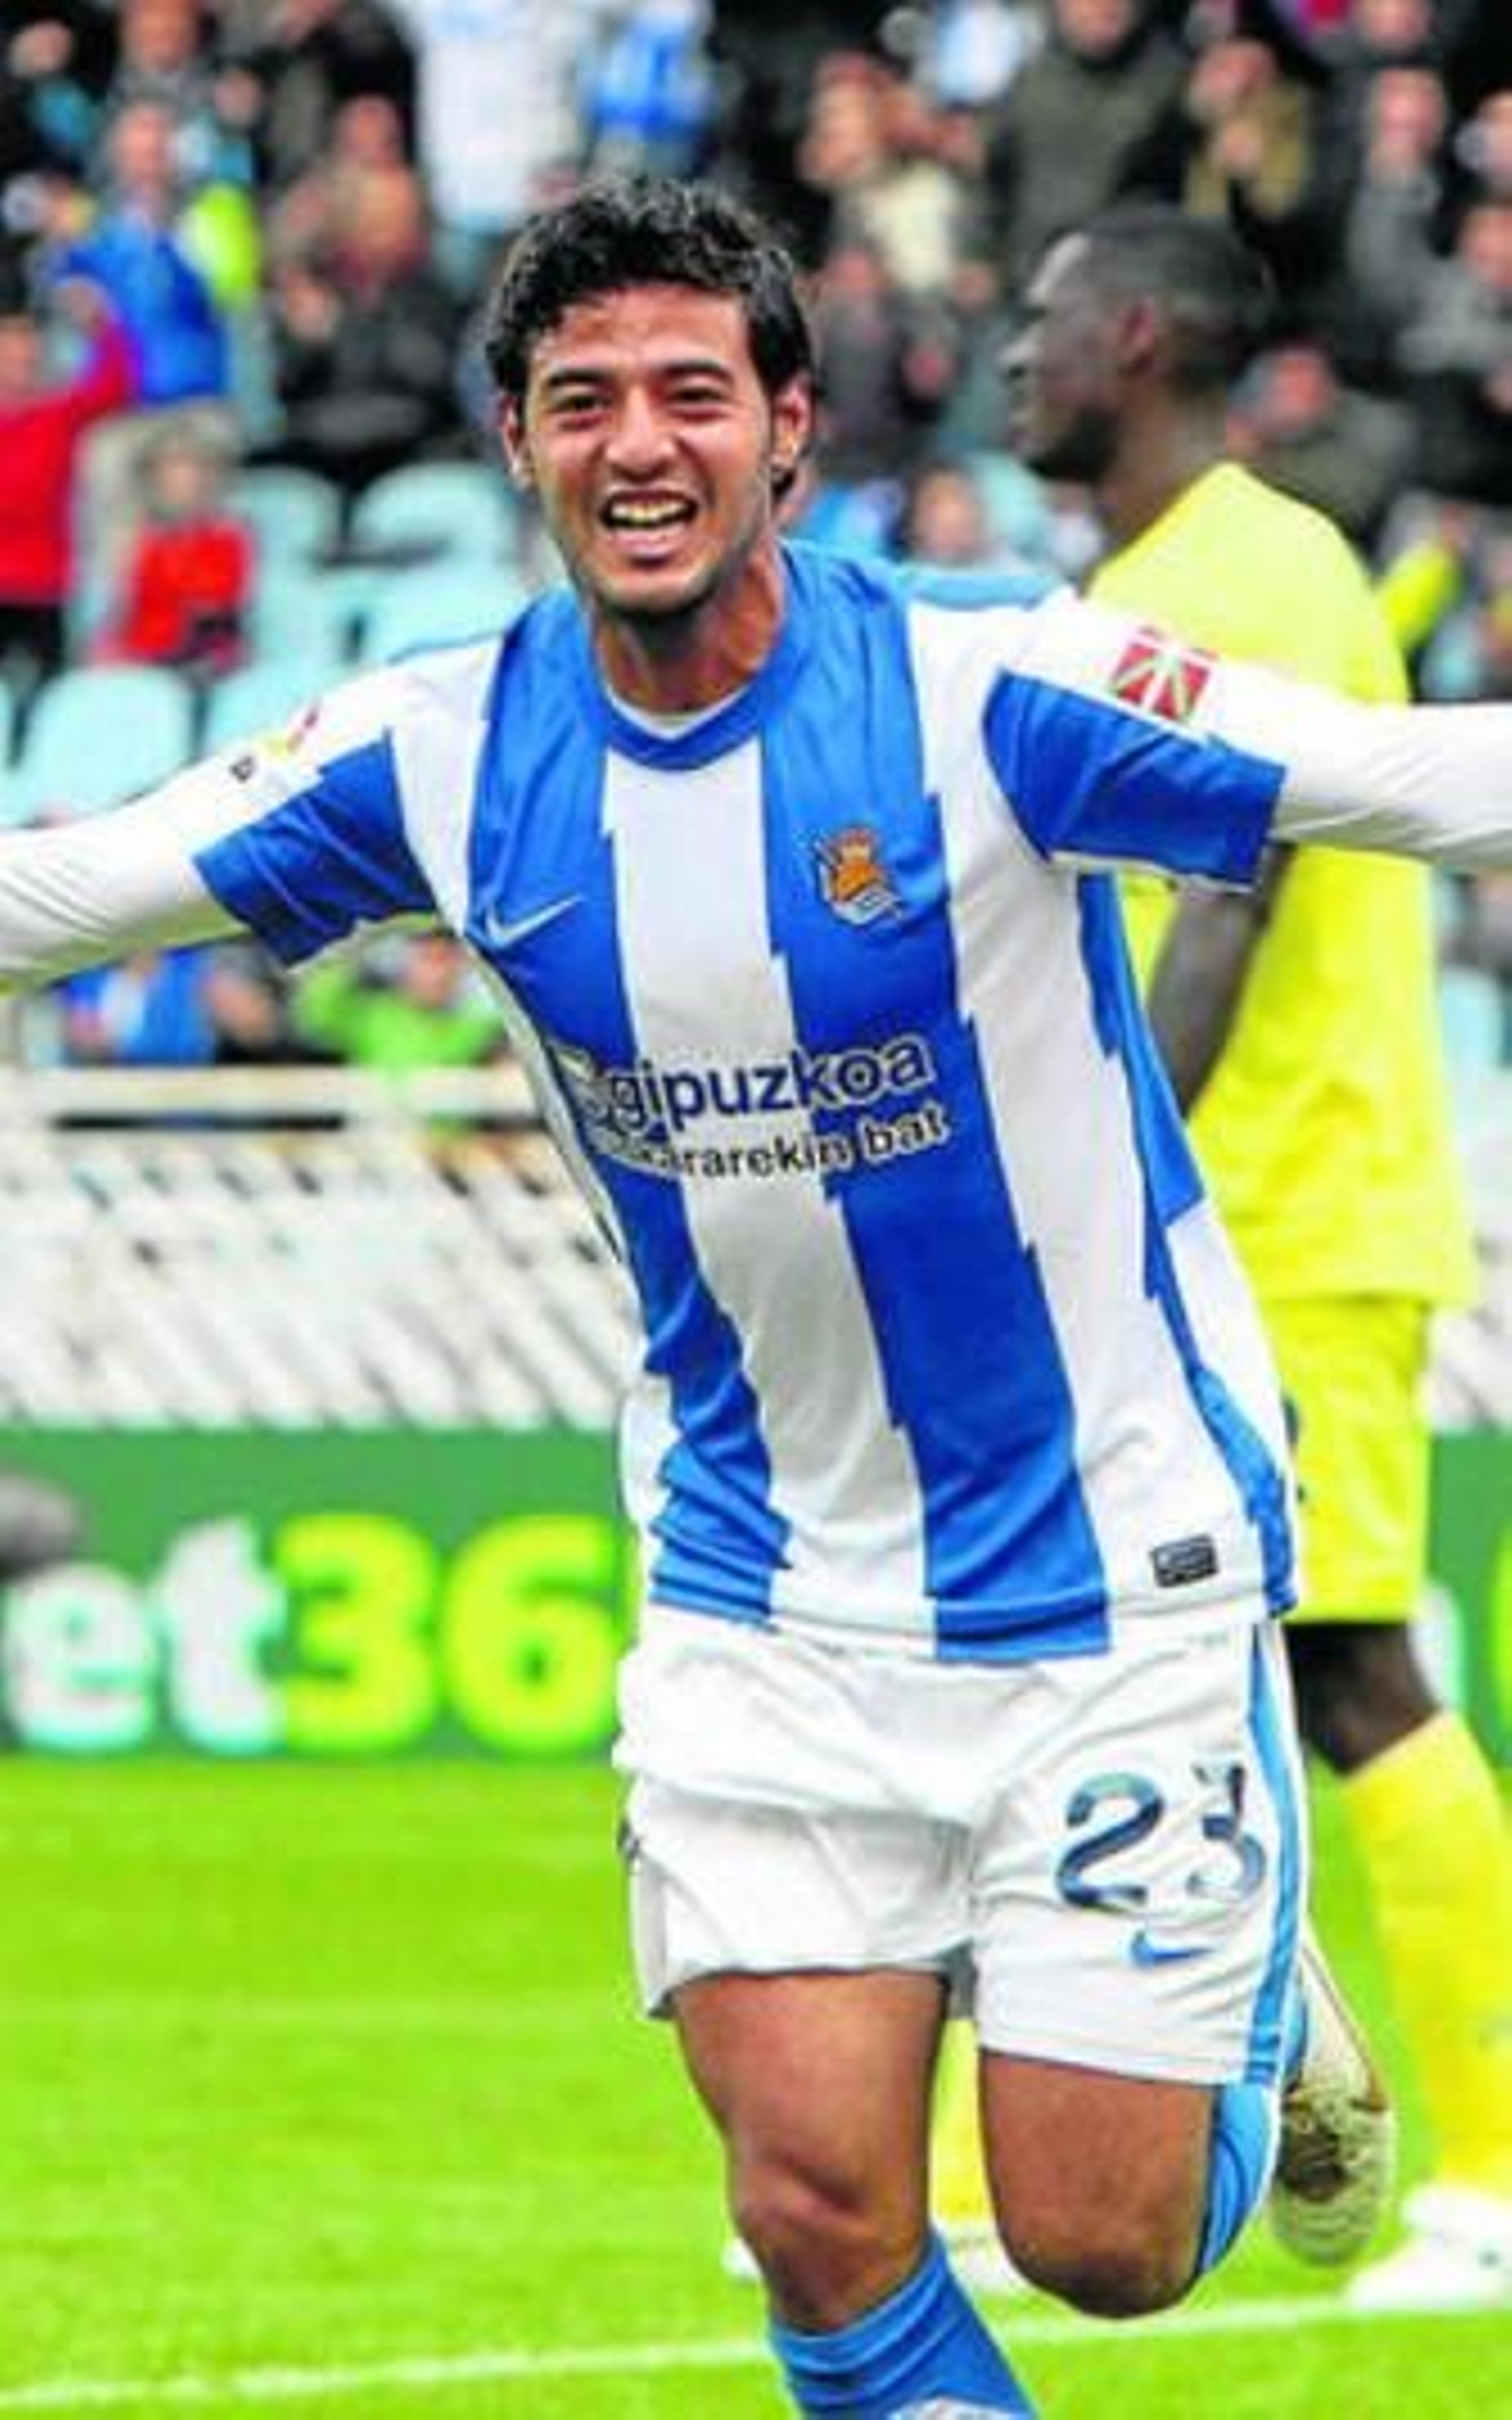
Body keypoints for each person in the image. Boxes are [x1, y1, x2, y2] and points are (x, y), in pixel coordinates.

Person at [3, 176, 1512, 2413]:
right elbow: (72, 888)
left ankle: (1260, 1993)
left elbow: (1397, 778)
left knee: (1098, 2243)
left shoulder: (988, 681)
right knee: (813, 2213)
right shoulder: (440, 748)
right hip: (763, 1586)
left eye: (691, 394)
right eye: (579, 397)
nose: (638, 443)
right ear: (513, 441)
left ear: (788, 431)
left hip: (1105, 1547)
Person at [993, 199, 1512, 2312]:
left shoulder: (1257, 567)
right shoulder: (1129, 583)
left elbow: (1233, 904)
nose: (1008, 354)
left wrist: (1092, 1178)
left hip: (1281, 1209)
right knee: (1092, 1671)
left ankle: (1485, 2177)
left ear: (1133, 337)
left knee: (1351, 1660)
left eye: (1039, 321)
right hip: (1211, 1210)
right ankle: (1097, 2133)